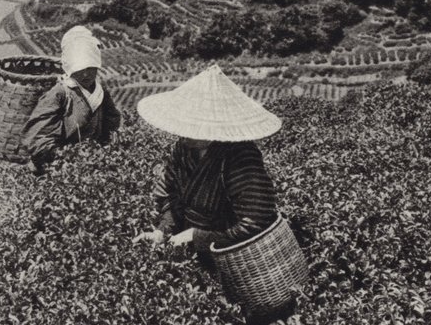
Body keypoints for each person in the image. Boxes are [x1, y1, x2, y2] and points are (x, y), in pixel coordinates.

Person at [131, 65, 282, 254]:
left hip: (232, 254)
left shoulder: (240, 157)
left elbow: (255, 223)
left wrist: (198, 237)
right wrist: (162, 231)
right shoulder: (184, 148)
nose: (184, 132)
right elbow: (170, 195)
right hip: (186, 248)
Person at [22, 25, 122, 171]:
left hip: (93, 163)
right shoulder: (60, 93)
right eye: (80, 70)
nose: (86, 75)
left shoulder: (100, 92)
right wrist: (64, 158)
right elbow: (39, 137)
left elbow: (112, 123)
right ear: (70, 68)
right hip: (60, 167)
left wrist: (105, 152)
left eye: (91, 68)